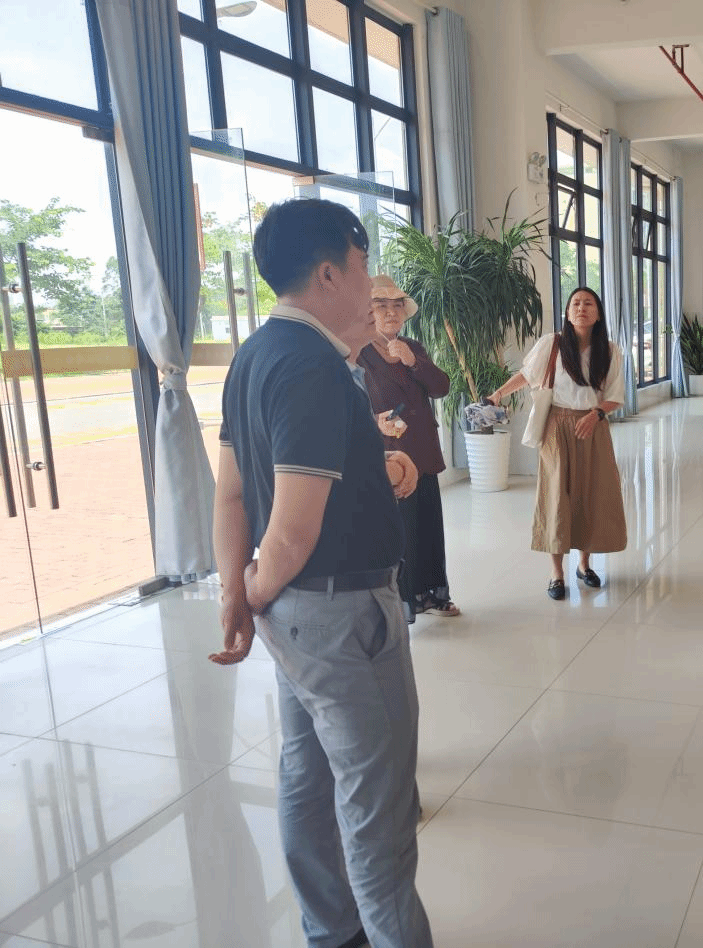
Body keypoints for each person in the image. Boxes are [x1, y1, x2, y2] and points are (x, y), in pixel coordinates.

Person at [210, 198, 433, 948]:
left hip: (298, 617)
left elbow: (233, 493)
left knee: (307, 777)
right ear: (330, 273)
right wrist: (249, 593)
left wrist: (237, 594)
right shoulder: (310, 367)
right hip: (338, 614)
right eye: (364, 265)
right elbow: (292, 532)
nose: (373, 285)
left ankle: (331, 932)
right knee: (378, 807)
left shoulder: (254, 355)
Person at [487, 286, 627, 600]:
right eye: (575, 303)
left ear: (598, 314)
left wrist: (595, 414)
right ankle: (556, 573)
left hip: (593, 426)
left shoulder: (610, 351)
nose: (581, 308)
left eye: (588, 303)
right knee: (555, 496)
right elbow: (527, 375)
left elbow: (615, 396)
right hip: (557, 426)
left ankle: (584, 565)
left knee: (590, 493)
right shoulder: (552, 344)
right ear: (567, 312)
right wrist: (498, 394)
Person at [358, 274, 460, 622]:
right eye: (381, 306)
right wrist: (374, 420)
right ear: (368, 311)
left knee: (428, 525)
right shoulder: (359, 353)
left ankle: (433, 594)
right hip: (390, 455)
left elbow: (441, 387)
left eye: (397, 306)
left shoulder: (413, 347)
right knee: (398, 529)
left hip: (423, 449)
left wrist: (413, 362)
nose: (391, 312)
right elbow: (351, 403)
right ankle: (400, 604)